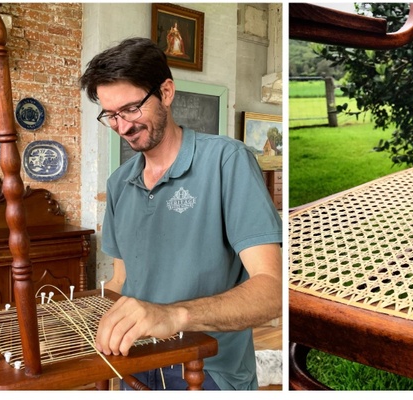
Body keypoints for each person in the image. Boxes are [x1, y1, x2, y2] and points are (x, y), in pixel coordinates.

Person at [79, 37, 282, 390]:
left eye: (130, 109)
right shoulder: (118, 184)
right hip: (135, 363)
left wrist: (173, 315)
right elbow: (121, 281)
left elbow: (272, 290)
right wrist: (86, 317)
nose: (122, 126)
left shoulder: (227, 161)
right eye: (111, 115)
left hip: (207, 371)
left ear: (167, 92)